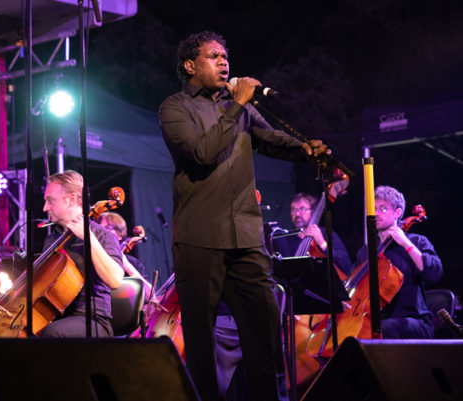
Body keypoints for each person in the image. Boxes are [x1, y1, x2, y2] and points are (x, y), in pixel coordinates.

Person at [159, 31, 329, 401]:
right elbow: (202, 152)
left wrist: (304, 149)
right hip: (200, 238)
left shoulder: (238, 107)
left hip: (247, 237)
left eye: (226, 56)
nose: (224, 62)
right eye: (213, 56)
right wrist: (237, 105)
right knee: (201, 342)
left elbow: (270, 139)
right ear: (190, 65)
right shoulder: (175, 108)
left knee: (264, 333)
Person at [39, 170, 124, 338]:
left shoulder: (102, 236)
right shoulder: (52, 238)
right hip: (57, 316)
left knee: (52, 333)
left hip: (93, 321)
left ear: (71, 200)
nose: (45, 208)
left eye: (50, 201)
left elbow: (115, 280)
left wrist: (89, 238)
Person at [351, 185, 442, 338]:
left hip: (414, 320)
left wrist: (406, 243)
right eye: (374, 209)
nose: (376, 213)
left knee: (385, 328)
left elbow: (435, 273)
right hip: (377, 321)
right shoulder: (366, 251)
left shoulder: (417, 241)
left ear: (397, 213)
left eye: (383, 209)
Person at [273, 192, 352, 274]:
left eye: (302, 209)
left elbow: (346, 266)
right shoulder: (286, 239)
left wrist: (322, 243)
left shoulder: (326, 233)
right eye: (294, 210)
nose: (297, 214)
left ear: (312, 212)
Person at [97, 211, 152, 299]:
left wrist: (126, 264)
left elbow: (151, 296)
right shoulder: (93, 258)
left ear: (119, 235)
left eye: (107, 228)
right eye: (99, 228)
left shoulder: (132, 262)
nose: (102, 232)